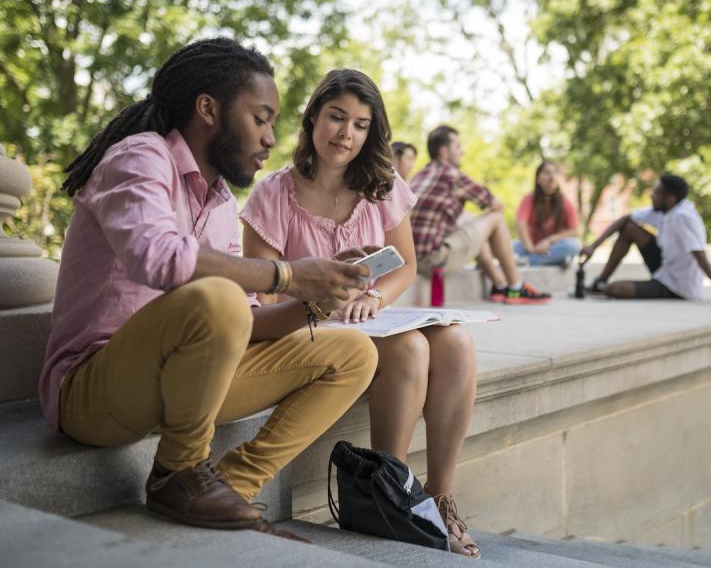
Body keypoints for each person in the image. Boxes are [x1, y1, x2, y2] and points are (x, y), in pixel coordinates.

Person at [40, 38, 380, 540]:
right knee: (216, 293)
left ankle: (233, 486)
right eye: (260, 118)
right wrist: (289, 275)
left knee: (354, 353)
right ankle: (178, 473)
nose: (270, 137)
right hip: (95, 390)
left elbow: (244, 321)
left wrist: (317, 296)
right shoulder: (140, 158)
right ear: (209, 110)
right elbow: (158, 257)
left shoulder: (221, 201)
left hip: (183, 382)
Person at [240, 69, 482, 558]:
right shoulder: (273, 194)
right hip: (306, 325)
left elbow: (405, 265)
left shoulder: (383, 187)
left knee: (455, 341)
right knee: (412, 347)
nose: (345, 133)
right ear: (312, 119)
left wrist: (373, 298)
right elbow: (263, 295)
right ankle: (387, 495)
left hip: (370, 319)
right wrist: (320, 289)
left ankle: (440, 494)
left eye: (360, 124)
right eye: (335, 117)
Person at [410, 125, 551, 304]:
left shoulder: (420, 175)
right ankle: (516, 287)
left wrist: (460, 200)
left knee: (471, 220)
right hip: (433, 261)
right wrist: (469, 198)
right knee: (495, 219)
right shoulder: (452, 175)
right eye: (458, 147)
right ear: (444, 151)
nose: (463, 151)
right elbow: (495, 204)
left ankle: (499, 285)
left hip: (412, 259)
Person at [578, 174, 711, 305]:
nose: (651, 196)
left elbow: (700, 257)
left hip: (676, 285)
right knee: (630, 228)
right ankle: (600, 281)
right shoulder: (664, 211)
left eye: (656, 193)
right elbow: (625, 219)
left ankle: (605, 286)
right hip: (664, 267)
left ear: (670, 199)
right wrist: (593, 246)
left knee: (614, 289)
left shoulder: (684, 218)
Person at [513, 161, 581, 267]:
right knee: (508, 246)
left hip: (552, 247)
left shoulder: (565, 202)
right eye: (546, 172)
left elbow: (574, 231)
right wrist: (531, 248)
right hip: (530, 246)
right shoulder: (528, 199)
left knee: (574, 245)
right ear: (537, 179)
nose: (551, 176)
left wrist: (548, 241)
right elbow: (520, 224)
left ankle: (529, 261)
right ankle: (552, 261)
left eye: (555, 173)